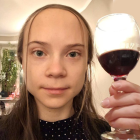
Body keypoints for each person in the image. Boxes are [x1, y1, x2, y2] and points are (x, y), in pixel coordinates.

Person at [0, 4, 140, 140]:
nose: (56, 71)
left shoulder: (102, 131)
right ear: (22, 61)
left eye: (73, 54)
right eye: (39, 52)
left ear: (87, 64)